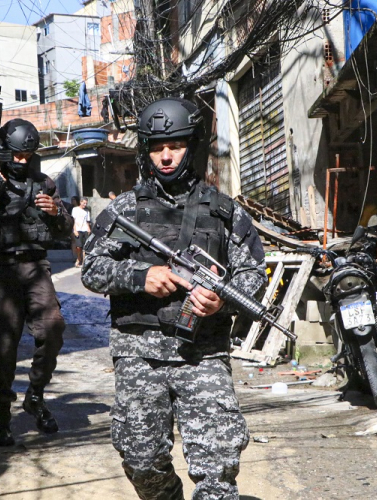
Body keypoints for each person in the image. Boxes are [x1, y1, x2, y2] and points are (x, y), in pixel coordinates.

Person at [81, 97, 266, 499]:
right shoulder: (125, 210)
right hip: (138, 354)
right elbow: (91, 270)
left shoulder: (223, 212)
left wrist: (222, 301)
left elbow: (253, 274)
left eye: (176, 145)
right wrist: (139, 276)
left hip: (203, 352)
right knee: (141, 459)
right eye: (156, 147)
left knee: (218, 464)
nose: (166, 156)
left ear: (191, 146)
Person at [0, 118, 74, 447]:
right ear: (4, 151)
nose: (22, 162)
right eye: (17, 156)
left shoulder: (45, 184)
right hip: (0, 268)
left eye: (28, 155)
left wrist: (56, 212)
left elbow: (65, 230)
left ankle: (35, 396)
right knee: (6, 345)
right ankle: (2, 413)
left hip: (36, 265)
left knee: (53, 329)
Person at [71, 197, 91, 267]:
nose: (85, 205)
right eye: (84, 203)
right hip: (78, 229)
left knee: (85, 247)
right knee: (79, 246)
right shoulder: (75, 209)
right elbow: (73, 220)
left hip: (85, 229)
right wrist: (75, 230)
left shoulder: (87, 211)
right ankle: (79, 258)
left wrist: (88, 228)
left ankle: (84, 262)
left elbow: (87, 221)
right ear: (80, 202)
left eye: (86, 203)